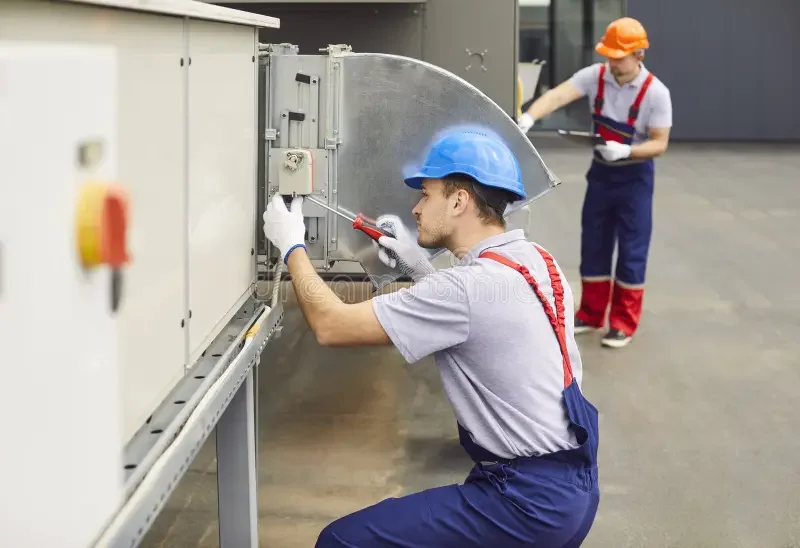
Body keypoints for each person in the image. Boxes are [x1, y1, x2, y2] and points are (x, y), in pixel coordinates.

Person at [262, 130, 600, 547]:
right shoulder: (536, 260)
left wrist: (291, 242)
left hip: (523, 502)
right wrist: (418, 265)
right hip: (573, 488)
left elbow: (331, 324)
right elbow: (480, 315)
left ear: (459, 202)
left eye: (425, 194)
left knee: (341, 542)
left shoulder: (463, 290)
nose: (415, 208)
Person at [518, 17, 672, 348]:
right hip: (601, 175)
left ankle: (623, 323)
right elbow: (558, 95)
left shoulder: (656, 94)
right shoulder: (596, 77)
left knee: (632, 249)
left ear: (639, 55)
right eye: (609, 54)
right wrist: (530, 116)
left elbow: (660, 143)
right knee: (594, 242)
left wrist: (628, 150)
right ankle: (590, 314)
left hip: (635, 179)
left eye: (620, 56)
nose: (613, 61)